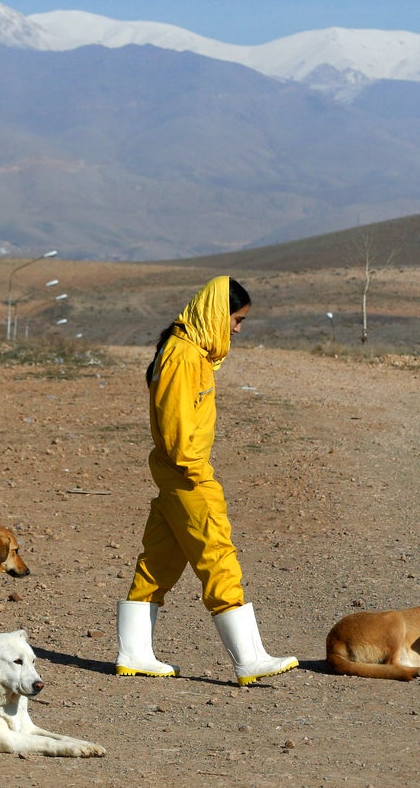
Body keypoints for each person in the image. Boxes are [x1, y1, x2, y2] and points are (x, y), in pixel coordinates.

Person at [115, 276, 297, 686]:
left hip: (176, 473)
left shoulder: (187, 351)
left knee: (159, 561)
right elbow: (177, 426)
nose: (237, 328)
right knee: (218, 554)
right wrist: (198, 474)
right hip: (187, 474)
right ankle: (247, 659)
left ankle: (134, 654)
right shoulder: (183, 355)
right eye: (236, 318)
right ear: (216, 313)